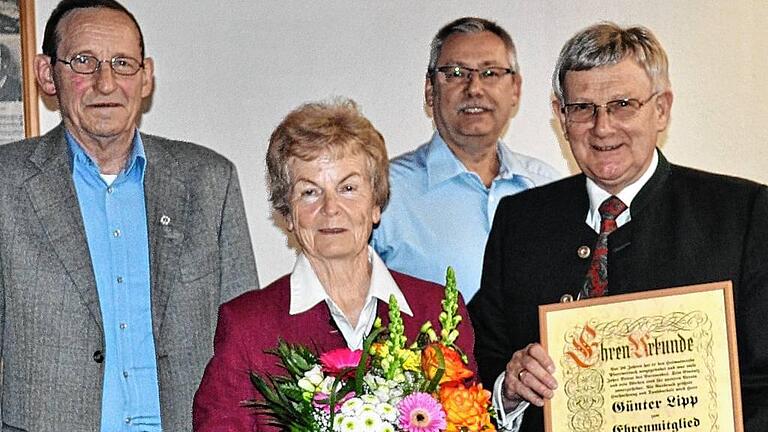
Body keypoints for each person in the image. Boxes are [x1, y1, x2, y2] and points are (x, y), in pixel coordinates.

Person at [469, 22, 768, 431]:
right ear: (561, 115)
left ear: (661, 108)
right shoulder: (520, 221)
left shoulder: (743, 214)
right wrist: (509, 388)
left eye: (623, 104)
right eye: (583, 108)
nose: (603, 126)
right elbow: (479, 357)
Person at [0, 1, 258, 430]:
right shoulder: (5, 185)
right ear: (48, 74)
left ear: (146, 77)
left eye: (123, 63)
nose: (106, 83)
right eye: (84, 62)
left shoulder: (210, 181)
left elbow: (242, 340)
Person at [193, 99, 477, 431]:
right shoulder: (247, 326)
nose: (331, 208)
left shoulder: (437, 309)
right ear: (288, 215)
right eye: (310, 192)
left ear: (375, 204)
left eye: (348, 188)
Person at [371, 17, 559, 302]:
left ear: (516, 89)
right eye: (456, 73)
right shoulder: (385, 192)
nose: (474, 88)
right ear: (430, 90)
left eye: (491, 73)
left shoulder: (547, 187)